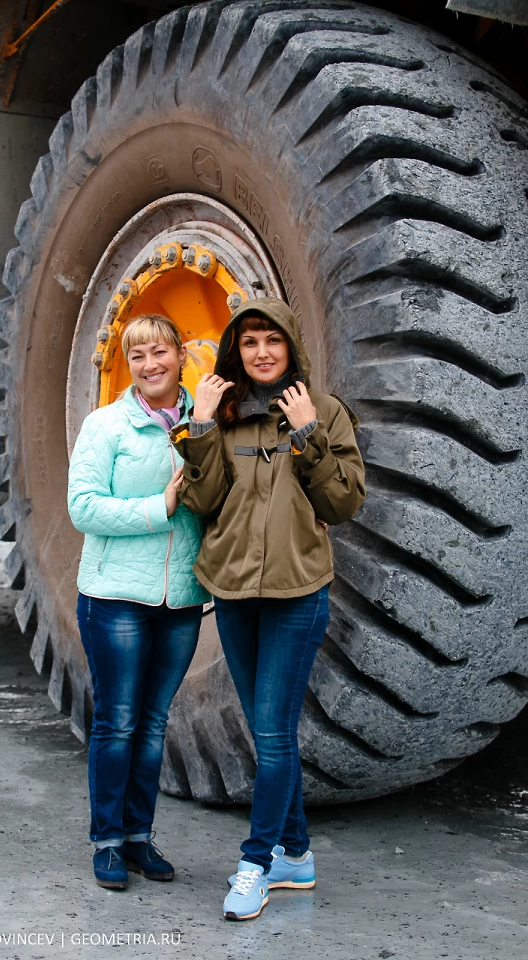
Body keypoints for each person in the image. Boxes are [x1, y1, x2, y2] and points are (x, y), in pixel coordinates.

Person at [171, 297, 365, 920]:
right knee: (267, 732)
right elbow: (202, 502)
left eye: (272, 340)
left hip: (296, 595)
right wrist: (201, 427)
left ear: (291, 346)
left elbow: (342, 504)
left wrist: (307, 433)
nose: (261, 352)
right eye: (249, 341)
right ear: (236, 350)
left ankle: (255, 864)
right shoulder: (225, 415)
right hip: (233, 593)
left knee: (275, 733)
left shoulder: (323, 411)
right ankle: (296, 855)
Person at [67, 314, 210, 891]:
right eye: (137, 355)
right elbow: (83, 507)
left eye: (160, 352)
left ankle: (137, 837)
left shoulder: (205, 421)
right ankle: (106, 841)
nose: (150, 365)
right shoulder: (107, 426)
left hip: (181, 598)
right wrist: (159, 507)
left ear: (181, 355)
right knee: (119, 722)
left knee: (152, 725)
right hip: (116, 597)